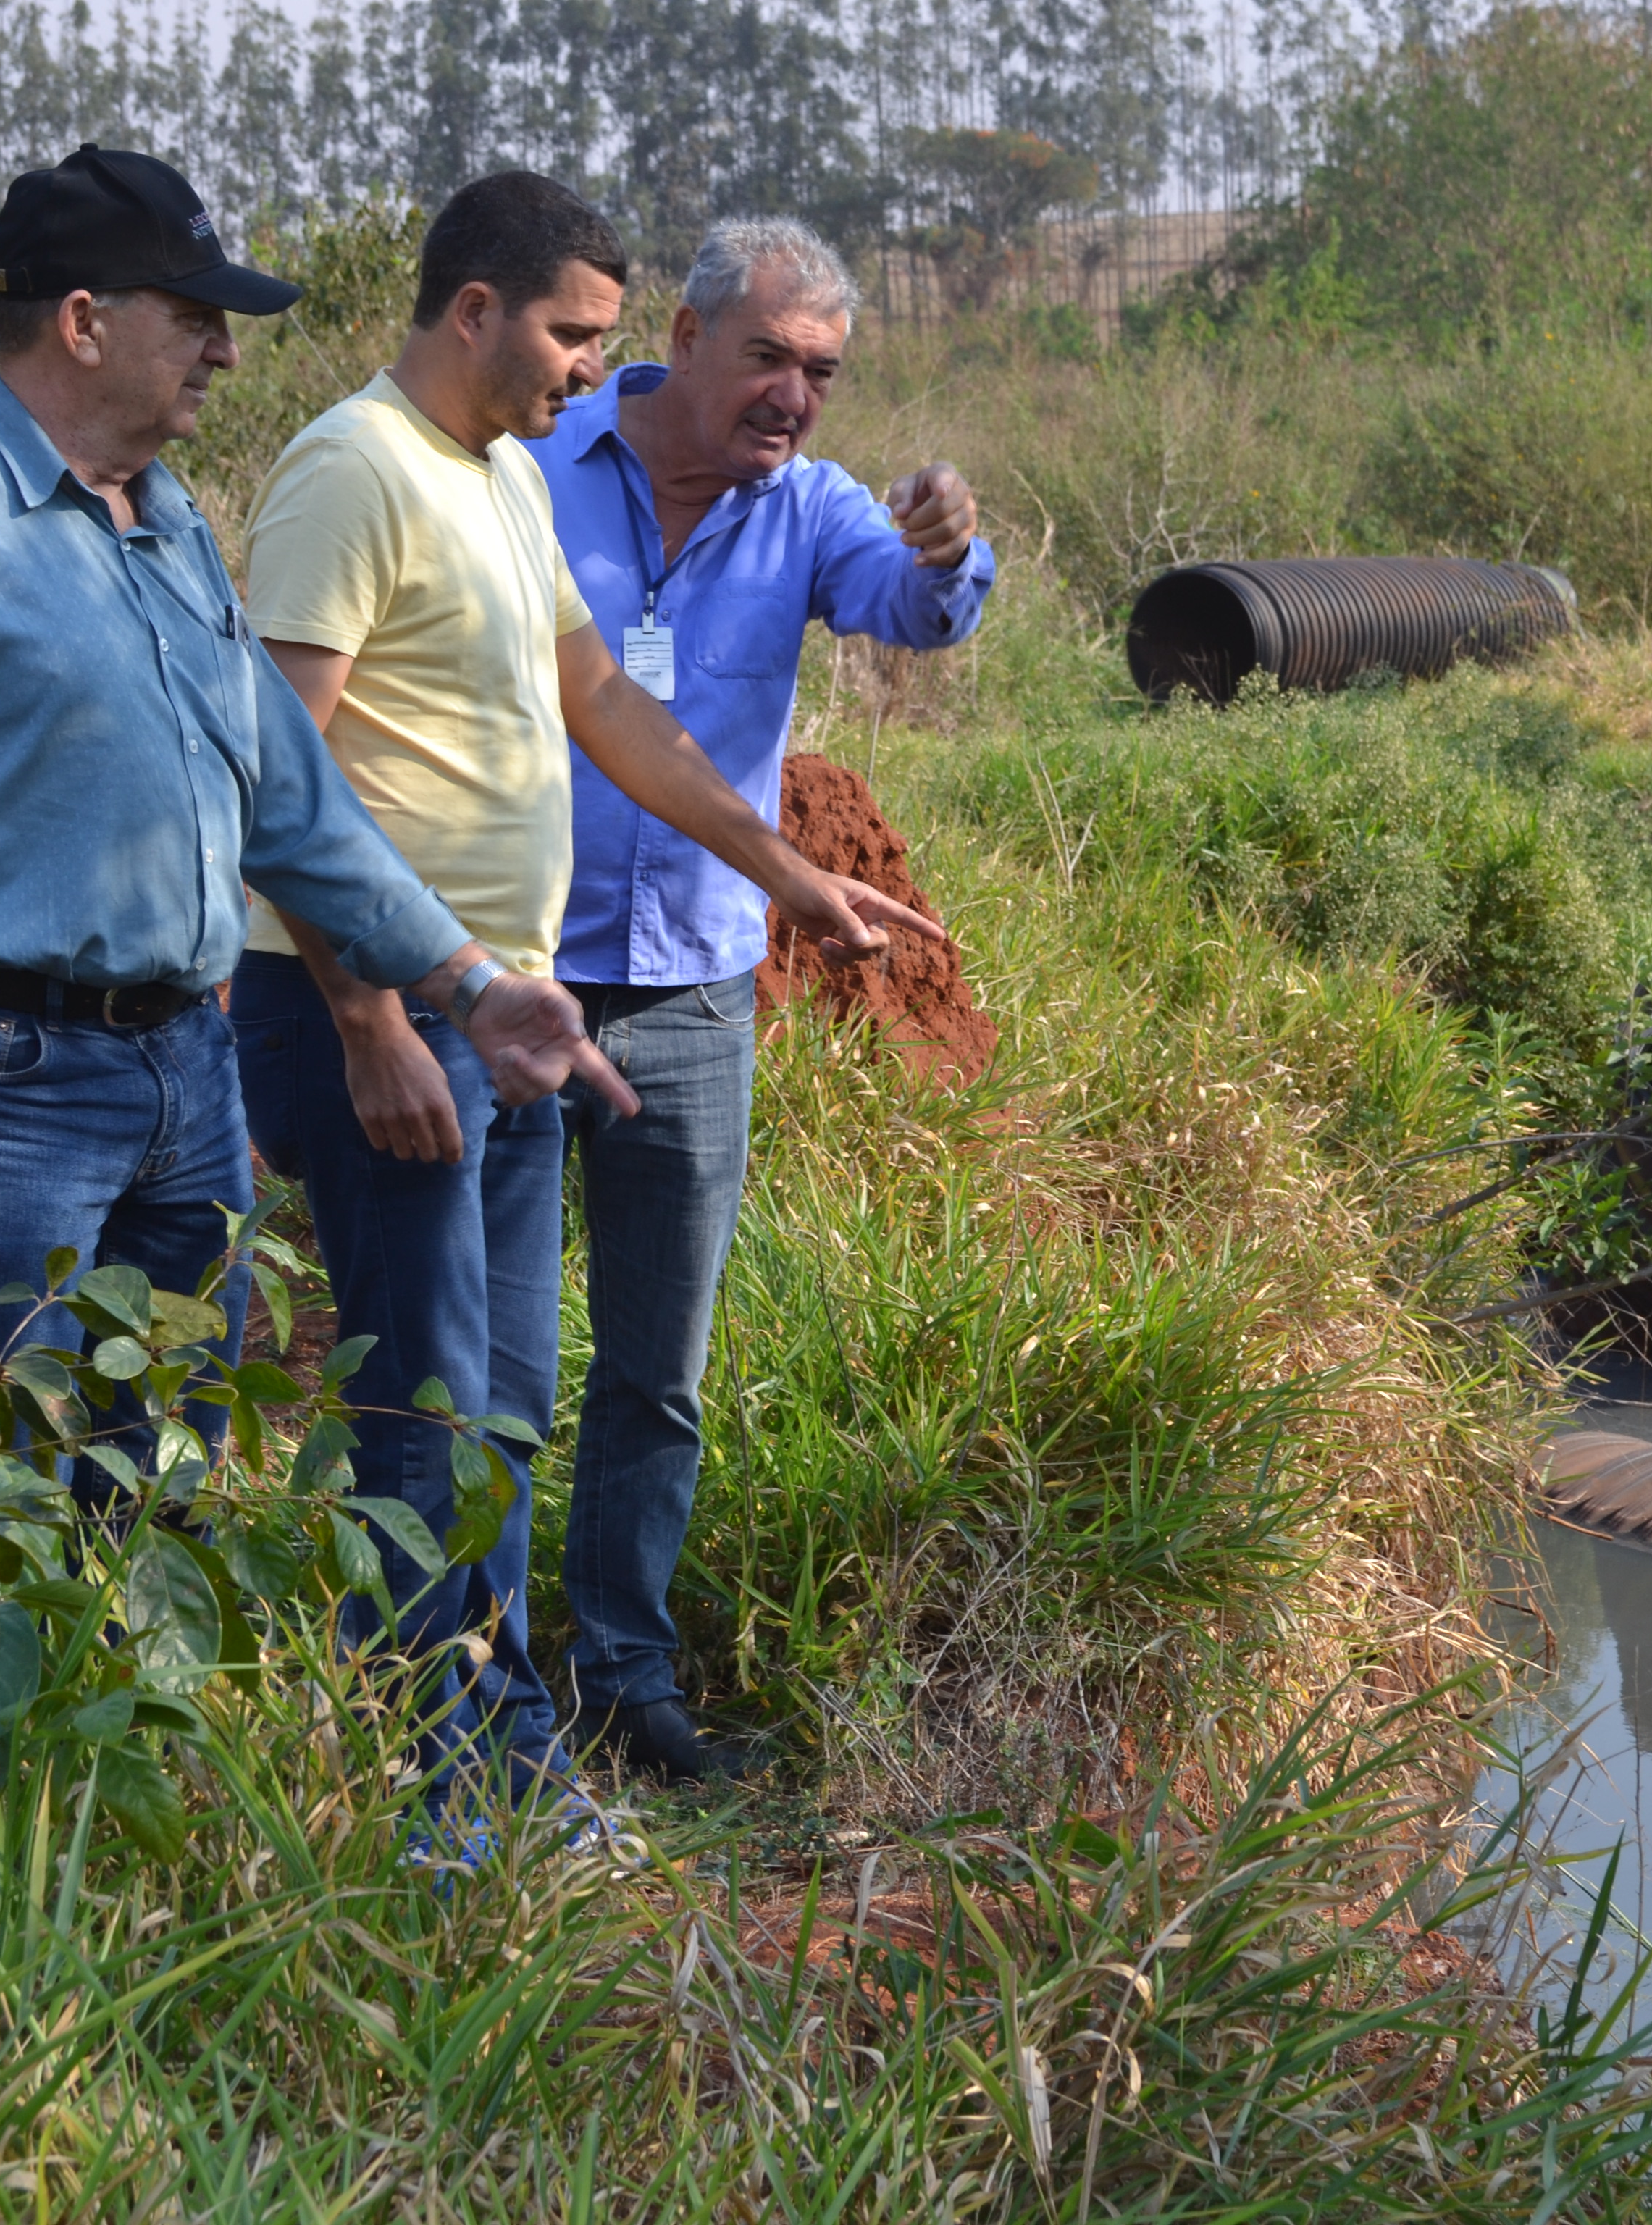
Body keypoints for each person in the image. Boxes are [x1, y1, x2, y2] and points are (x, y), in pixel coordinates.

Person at [0, 143, 624, 1450]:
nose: (225, 352)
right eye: (197, 318)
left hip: (188, 1081)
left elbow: (293, 799)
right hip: (3, 1091)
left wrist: (474, 988)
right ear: (85, 324)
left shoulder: (171, 524)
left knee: (166, 1473)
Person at [235, 175, 941, 1796]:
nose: (583, 373)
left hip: (495, 1010)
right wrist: (365, 1018)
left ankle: (503, 1736)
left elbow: (604, 702)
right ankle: (435, 1783)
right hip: (390, 1013)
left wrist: (787, 875)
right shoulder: (352, 471)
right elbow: (281, 777)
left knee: (497, 1401)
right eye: (572, 335)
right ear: (474, 309)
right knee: (431, 1404)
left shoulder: (492, 478)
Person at [528, 215, 991, 1781]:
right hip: (512, 978)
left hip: (694, 998)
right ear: (688, 333)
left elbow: (910, 608)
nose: (796, 398)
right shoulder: (534, 466)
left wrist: (947, 550)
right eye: (772, 359)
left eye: (826, 374)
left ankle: (625, 1680)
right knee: (496, 1361)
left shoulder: (812, 508)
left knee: (657, 1370)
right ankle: (459, 1674)